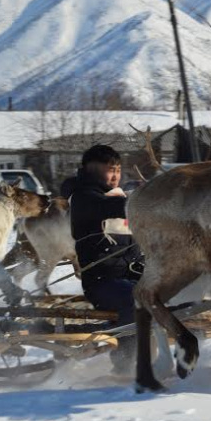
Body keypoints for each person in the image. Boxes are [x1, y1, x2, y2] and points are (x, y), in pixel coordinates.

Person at [69, 144, 144, 371]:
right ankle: (125, 363)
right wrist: (148, 200)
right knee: (136, 299)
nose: (116, 176)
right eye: (110, 169)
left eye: (119, 170)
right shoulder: (84, 198)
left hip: (134, 277)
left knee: (184, 293)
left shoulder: (120, 197)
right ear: (91, 169)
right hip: (103, 283)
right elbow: (109, 206)